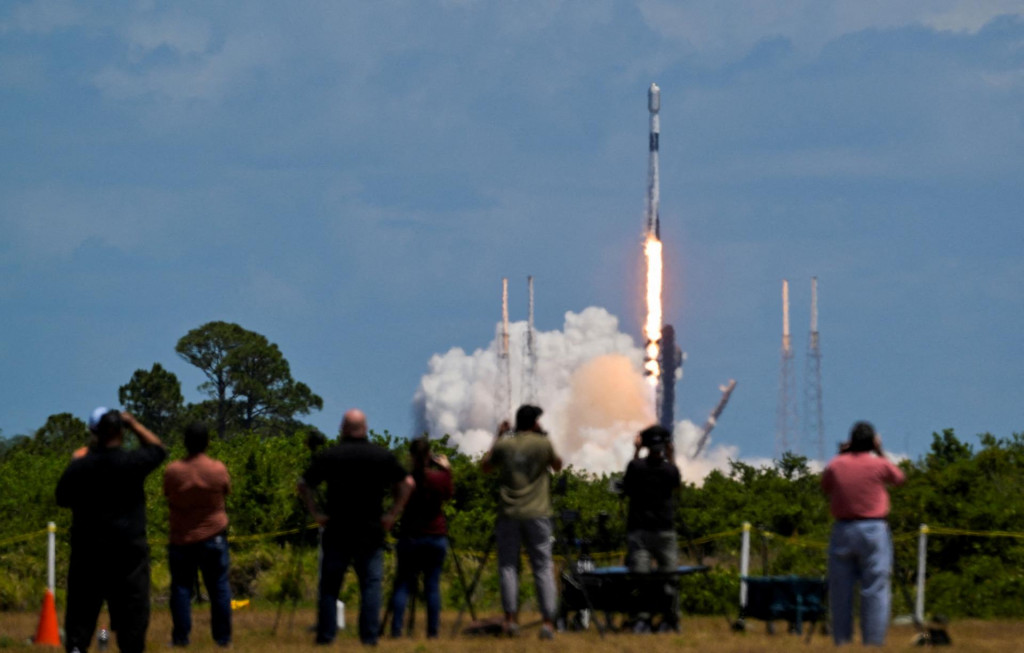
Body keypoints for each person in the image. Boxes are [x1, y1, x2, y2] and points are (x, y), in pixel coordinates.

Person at [298, 409, 415, 646]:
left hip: (337, 529)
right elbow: (408, 483)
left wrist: (316, 513)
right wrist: (392, 514)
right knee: (371, 586)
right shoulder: (380, 456)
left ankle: (326, 635)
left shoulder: (330, 456)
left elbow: (303, 484)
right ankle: (369, 637)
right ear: (366, 428)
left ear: (343, 428)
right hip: (370, 531)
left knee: (330, 586)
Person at [56, 408, 167, 653]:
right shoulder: (131, 462)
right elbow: (159, 450)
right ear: (120, 432)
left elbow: (61, 497)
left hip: (88, 554)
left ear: (96, 434)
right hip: (128, 556)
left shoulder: (82, 466)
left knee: (80, 619)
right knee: (132, 621)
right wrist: (135, 424)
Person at [481, 404, 563, 640]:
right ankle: (547, 622)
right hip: (538, 513)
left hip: (509, 513)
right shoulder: (542, 444)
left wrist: (498, 436)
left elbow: (486, 466)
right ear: (534, 422)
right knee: (542, 567)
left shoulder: (505, 444)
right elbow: (557, 465)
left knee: (508, 566)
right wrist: (544, 439)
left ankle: (510, 620)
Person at [821, 421, 906, 646]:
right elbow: (899, 479)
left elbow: (825, 485)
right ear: (871, 442)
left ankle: (842, 641)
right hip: (874, 529)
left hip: (843, 529)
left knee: (840, 590)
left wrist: (841, 455)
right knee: (875, 588)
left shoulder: (836, 464)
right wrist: (879, 451)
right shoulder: (878, 464)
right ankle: (873, 642)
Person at [163, 423, 232, 647]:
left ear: (185, 443)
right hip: (214, 536)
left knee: (181, 589)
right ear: (207, 443)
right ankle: (223, 639)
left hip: (182, 538)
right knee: (219, 588)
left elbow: (167, 494)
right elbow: (226, 490)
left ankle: (181, 638)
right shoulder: (218, 469)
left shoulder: (173, 471)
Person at [388, 437, 454, 638]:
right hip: (435, 536)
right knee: (432, 587)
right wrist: (446, 470)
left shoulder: (405, 480)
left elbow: (395, 497)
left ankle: (396, 630)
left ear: (410, 456)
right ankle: (432, 633)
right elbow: (449, 493)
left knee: (403, 585)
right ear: (428, 456)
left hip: (411, 537)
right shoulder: (439, 478)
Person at [622, 424, 682, 633]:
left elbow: (626, 487)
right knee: (669, 577)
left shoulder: (636, 467)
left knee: (641, 577)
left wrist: (636, 450)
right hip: (664, 531)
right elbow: (676, 482)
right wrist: (672, 454)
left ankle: (643, 618)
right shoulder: (669, 469)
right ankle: (669, 618)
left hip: (640, 532)